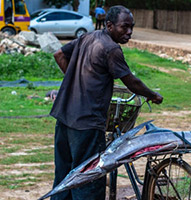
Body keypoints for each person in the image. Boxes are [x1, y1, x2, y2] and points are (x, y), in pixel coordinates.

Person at [50, 5, 163, 200]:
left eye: (132, 27)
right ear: (109, 25)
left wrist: (74, 81)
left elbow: (59, 54)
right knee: (89, 178)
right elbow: (131, 82)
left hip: (64, 116)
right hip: (86, 122)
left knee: (65, 177)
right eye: (124, 27)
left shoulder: (89, 37)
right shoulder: (111, 49)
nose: (129, 32)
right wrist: (153, 95)